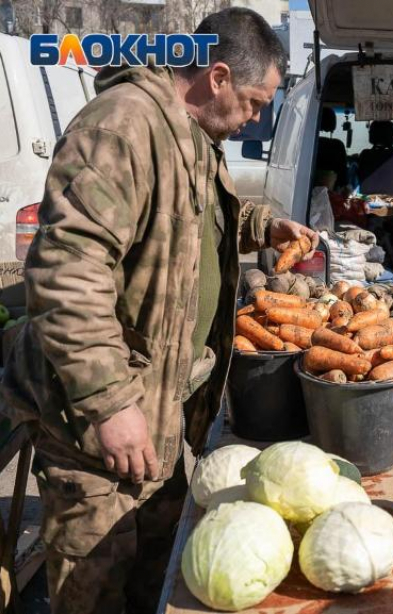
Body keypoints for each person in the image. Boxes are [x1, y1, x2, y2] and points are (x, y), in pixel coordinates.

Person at [0, 8, 316, 614]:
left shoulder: (194, 133)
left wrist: (257, 226)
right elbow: (67, 273)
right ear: (217, 76)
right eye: (253, 101)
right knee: (92, 588)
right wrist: (112, 405)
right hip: (96, 423)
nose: (256, 117)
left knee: (155, 578)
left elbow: (185, 225)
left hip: (161, 406)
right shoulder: (122, 127)